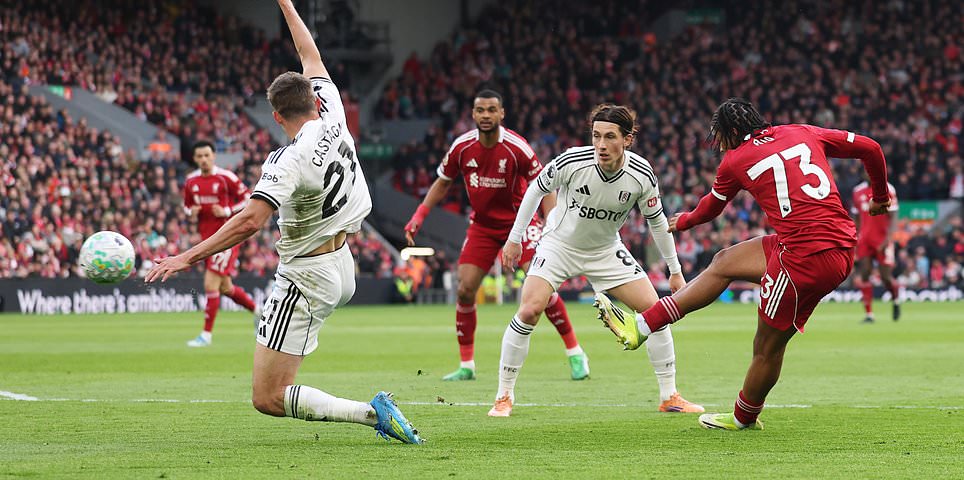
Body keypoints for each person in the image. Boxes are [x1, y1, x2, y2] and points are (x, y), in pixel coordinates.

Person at [146, 0, 422, 445]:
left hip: (307, 276)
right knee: (273, 383)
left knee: (267, 396)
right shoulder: (334, 110)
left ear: (276, 116)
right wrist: (288, 5)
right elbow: (309, 55)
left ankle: (374, 415)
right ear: (314, 99)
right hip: (342, 262)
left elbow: (250, 221)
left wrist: (186, 256)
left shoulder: (287, 160)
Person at [596, 98, 891, 430]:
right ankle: (644, 325)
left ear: (733, 132)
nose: (719, 145)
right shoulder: (802, 131)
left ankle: (743, 417)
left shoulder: (736, 160)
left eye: (720, 137)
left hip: (804, 260)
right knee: (723, 262)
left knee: (767, 347)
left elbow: (711, 208)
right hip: (830, 244)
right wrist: (880, 197)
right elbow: (871, 148)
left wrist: (686, 222)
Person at [488, 104, 704, 417]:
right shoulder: (573, 161)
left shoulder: (642, 175)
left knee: (656, 313)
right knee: (531, 309)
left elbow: (657, 223)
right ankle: (503, 396)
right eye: (596, 136)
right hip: (559, 245)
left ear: (627, 139)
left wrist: (674, 271)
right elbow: (536, 189)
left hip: (605, 250)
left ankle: (669, 396)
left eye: (610, 137)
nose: (601, 145)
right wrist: (514, 238)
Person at [404, 90, 590, 382]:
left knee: (543, 287)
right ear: (474, 114)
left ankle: (575, 353)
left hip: (520, 224)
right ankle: (467, 365)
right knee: (465, 288)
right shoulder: (462, 147)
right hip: (482, 226)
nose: (486, 115)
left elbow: (545, 185)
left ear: (502, 114)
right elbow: (442, 183)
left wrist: (552, 224)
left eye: (492, 110)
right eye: (480, 110)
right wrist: (418, 216)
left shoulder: (517, 148)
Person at [182, 140, 258, 347]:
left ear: (214, 156)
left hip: (227, 237)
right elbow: (187, 206)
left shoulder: (226, 178)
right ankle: (259, 312)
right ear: (195, 159)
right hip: (206, 240)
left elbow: (248, 199)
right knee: (225, 287)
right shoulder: (191, 181)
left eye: (207, 155)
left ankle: (206, 335)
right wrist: (191, 212)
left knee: (210, 283)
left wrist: (226, 211)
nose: (204, 160)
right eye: (199, 156)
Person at [852, 175, 901, 322]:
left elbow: (893, 216)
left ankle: (896, 300)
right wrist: (855, 238)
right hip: (864, 240)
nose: (868, 173)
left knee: (885, 277)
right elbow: (856, 218)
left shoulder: (888, 188)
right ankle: (869, 314)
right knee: (865, 273)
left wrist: (888, 239)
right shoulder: (857, 191)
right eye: (865, 170)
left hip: (882, 239)